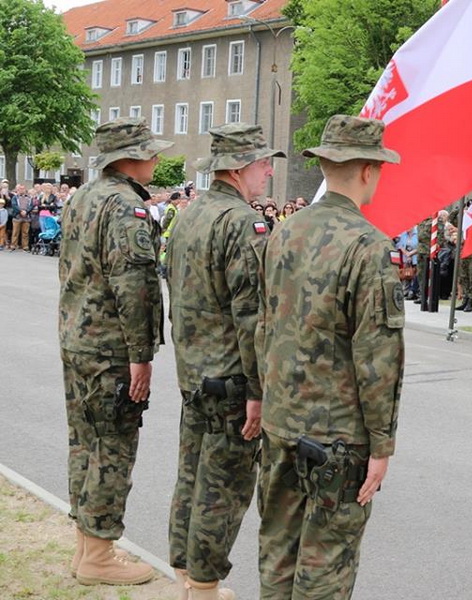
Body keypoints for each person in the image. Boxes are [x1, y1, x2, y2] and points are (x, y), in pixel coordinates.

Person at [256, 114, 404, 599]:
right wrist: (382, 444)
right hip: (336, 437)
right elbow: (377, 358)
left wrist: (266, 399)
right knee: (326, 565)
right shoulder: (369, 246)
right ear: (366, 170)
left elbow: (264, 326)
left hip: (282, 422)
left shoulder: (283, 231)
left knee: (279, 550)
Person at [166, 123, 285, 599]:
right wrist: (259, 390)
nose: (269, 174)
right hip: (231, 380)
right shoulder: (242, 222)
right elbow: (252, 315)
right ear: (237, 169)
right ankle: (204, 584)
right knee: (225, 487)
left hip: (195, 372)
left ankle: (184, 569)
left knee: (192, 475)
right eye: (262, 164)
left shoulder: (193, 213)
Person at [58, 117, 171, 586]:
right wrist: (141, 355)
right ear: (130, 157)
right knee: (113, 446)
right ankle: (99, 553)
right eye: (150, 151)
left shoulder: (83, 196)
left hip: (77, 338)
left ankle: (87, 544)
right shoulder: (127, 207)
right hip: (111, 348)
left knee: (84, 441)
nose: (157, 158)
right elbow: (136, 286)